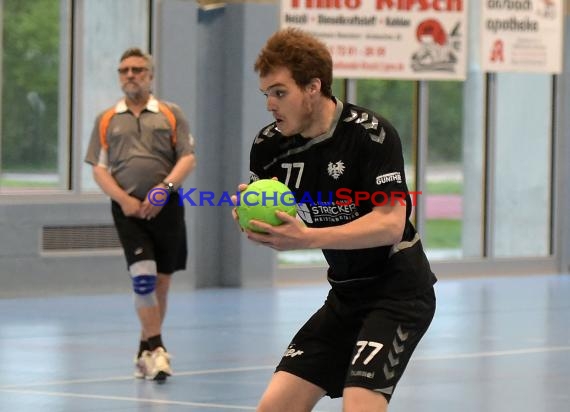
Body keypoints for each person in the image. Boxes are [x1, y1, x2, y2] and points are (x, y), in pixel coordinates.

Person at [232, 28, 436, 411]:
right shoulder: (269, 145)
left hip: (399, 293)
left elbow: (390, 224)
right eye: (266, 95)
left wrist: (307, 237)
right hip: (344, 296)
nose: (270, 105)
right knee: (273, 407)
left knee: (359, 405)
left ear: (313, 87)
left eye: (279, 92)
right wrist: (248, 217)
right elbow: (266, 211)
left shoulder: (370, 136)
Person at [84, 47, 196, 381]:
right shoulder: (107, 119)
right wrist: (124, 199)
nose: (130, 75)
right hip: (128, 211)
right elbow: (99, 168)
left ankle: (143, 352)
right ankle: (159, 349)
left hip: (167, 208)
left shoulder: (170, 113)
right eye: (124, 70)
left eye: (137, 69)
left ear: (150, 75)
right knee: (142, 277)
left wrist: (164, 189)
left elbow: (188, 158)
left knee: (160, 284)